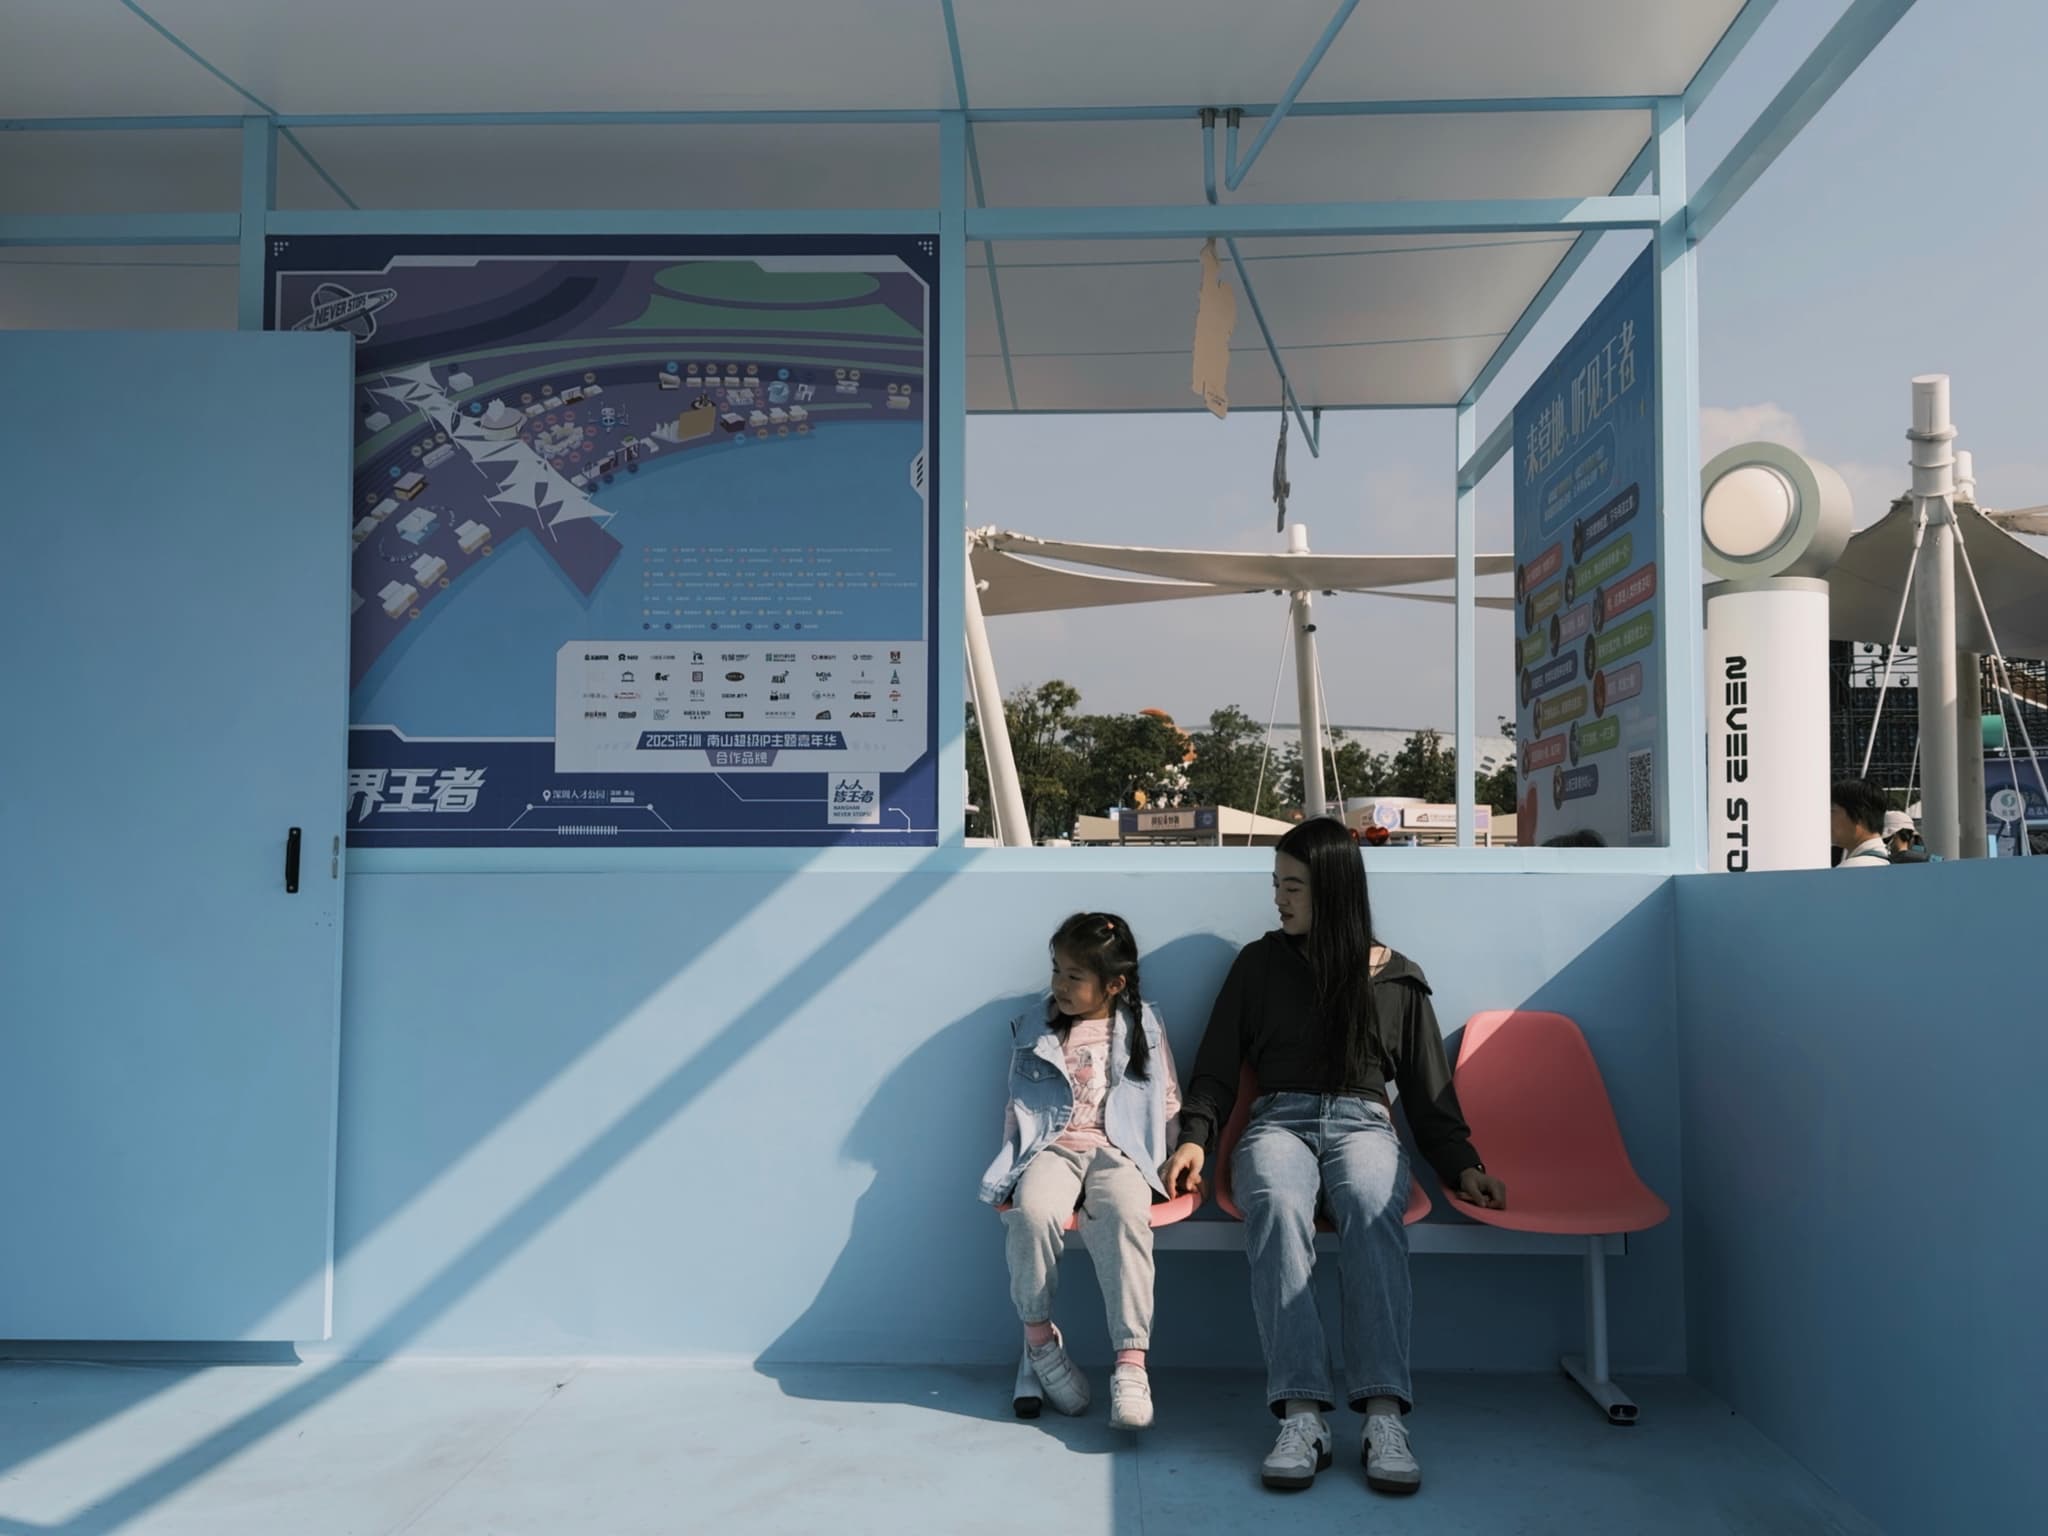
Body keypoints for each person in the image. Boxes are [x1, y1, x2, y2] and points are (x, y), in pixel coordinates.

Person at [1161, 818, 1506, 1498]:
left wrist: (1462, 1163)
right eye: (1276, 885)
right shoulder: (1258, 966)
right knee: (1275, 1204)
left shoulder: (1398, 978)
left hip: (1364, 1126)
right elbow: (1216, 1069)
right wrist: (1197, 1135)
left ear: (1336, 893)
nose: (1279, 900)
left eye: (1293, 887)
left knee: (1372, 1206)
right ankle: (1301, 1414)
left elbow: (1432, 1098)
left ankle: (1383, 1414)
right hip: (1276, 1125)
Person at [979, 912, 1183, 1432]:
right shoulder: (1036, 1026)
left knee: (1125, 1217)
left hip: (1119, 1151)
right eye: (1057, 971)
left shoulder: (1143, 1026)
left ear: (1113, 984)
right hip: (1052, 1148)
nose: (1060, 986)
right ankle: (1040, 1340)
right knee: (1030, 1213)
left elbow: (1165, 1101)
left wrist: (1174, 1159)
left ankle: (1131, 1365)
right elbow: (1019, 1104)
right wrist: (1013, 1164)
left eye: (1074, 976)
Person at [1830, 779, 1891, 867]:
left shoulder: (1852, 869)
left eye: (1832, 811)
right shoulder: (1886, 860)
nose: (1828, 818)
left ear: (1858, 815)